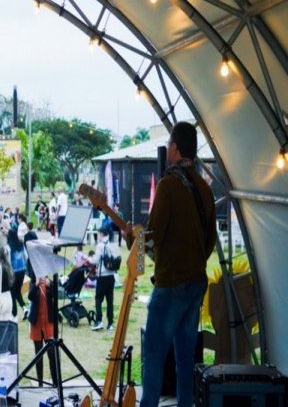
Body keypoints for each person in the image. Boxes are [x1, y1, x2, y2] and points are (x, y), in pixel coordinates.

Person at [136, 121, 216, 407]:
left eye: (170, 144)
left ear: (176, 148)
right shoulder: (205, 190)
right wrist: (193, 263)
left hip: (170, 285)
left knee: (154, 354)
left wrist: (137, 241)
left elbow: (152, 236)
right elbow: (211, 241)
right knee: (185, 357)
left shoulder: (169, 186)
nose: (168, 148)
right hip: (195, 284)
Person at [88, 227, 121, 331]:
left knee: (98, 298)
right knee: (109, 300)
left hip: (102, 276)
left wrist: (87, 258)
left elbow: (95, 260)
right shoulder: (112, 244)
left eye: (98, 235)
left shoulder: (100, 246)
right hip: (111, 276)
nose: (97, 237)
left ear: (102, 234)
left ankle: (99, 321)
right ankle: (110, 324)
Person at [28, 273, 57, 387]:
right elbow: (30, 297)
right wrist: (35, 285)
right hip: (36, 323)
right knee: (38, 354)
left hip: (49, 322)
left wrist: (50, 285)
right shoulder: (33, 282)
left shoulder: (50, 283)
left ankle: (55, 382)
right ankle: (40, 383)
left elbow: (57, 295)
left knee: (52, 354)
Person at [8, 227, 28, 320]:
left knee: (12, 292)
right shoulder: (21, 244)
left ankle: (14, 314)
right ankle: (24, 309)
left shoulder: (9, 246)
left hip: (14, 271)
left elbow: (8, 261)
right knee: (17, 291)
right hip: (22, 270)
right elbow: (26, 256)